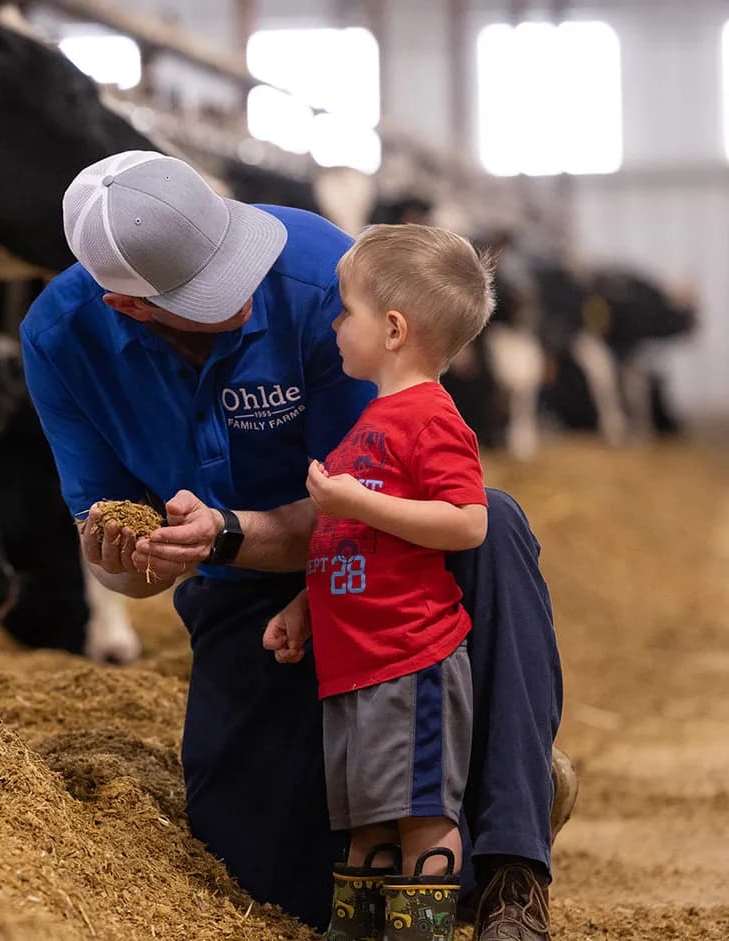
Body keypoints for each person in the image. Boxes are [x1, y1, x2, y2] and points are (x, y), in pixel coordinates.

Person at [20, 150, 565, 940]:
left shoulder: (323, 274)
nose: (241, 294)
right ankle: (468, 802)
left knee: (493, 518)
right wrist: (134, 558)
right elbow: (111, 549)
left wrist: (228, 531)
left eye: (233, 263)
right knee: (268, 875)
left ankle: (515, 861)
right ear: (130, 306)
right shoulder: (60, 339)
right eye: (210, 294)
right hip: (243, 597)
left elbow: (394, 498)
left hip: (381, 562)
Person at [261, 223, 495, 940]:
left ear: (393, 330)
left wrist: (353, 501)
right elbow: (357, 535)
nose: (333, 322)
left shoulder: (429, 417)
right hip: (355, 665)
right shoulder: (370, 421)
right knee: (368, 825)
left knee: (424, 820)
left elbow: (467, 521)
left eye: (346, 309)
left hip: (411, 662)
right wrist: (305, 602)